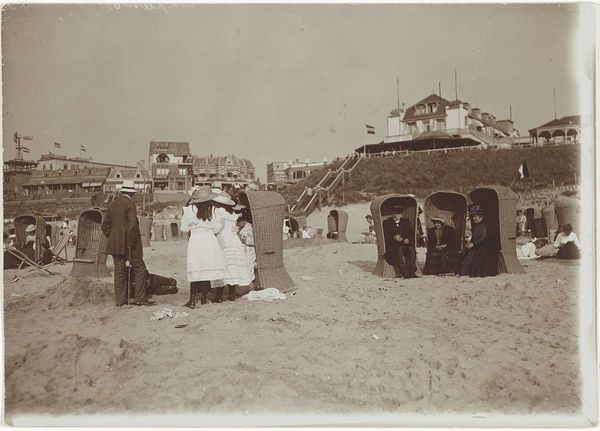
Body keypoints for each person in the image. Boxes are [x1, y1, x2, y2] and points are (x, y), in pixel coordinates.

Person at [101, 180, 154, 306]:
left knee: (119, 272)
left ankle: (120, 300)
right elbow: (133, 225)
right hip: (130, 245)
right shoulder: (130, 204)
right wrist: (129, 242)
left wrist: (114, 237)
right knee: (140, 269)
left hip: (115, 245)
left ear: (122, 191)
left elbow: (105, 226)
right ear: (132, 193)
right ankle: (140, 298)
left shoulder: (112, 205)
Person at [179, 186, 225, 308]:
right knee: (206, 270)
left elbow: (184, 229)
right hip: (210, 240)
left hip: (196, 240)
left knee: (195, 268)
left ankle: (192, 300)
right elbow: (217, 228)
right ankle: (204, 299)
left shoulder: (189, 210)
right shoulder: (215, 211)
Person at [212, 190, 254, 302]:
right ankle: (231, 295)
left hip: (223, 240)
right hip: (234, 241)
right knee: (233, 268)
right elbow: (235, 226)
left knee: (222, 267)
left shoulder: (218, 212)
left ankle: (219, 296)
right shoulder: (232, 213)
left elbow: (217, 228)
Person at [460, 205, 499, 277]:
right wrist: (470, 243)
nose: (473, 218)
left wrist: (474, 244)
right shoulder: (476, 226)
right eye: (473, 217)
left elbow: (484, 237)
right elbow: (474, 237)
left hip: (483, 247)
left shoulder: (484, 226)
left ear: (481, 217)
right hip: (476, 246)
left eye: (475, 217)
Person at [382, 205, 417, 278]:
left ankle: (412, 272)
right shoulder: (387, 223)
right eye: (393, 214)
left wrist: (407, 238)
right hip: (393, 245)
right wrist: (394, 237)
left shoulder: (405, 222)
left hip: (405, 243)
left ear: (401, 214)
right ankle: (404, 273)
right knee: (399, 250)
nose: (394, 215)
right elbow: (385, 236)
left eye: (397, 214)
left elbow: (410, 233)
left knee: (411, 250)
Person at [236, 210, 257, 284]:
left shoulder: (250, 227)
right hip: (242, 252)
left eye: (237, 222)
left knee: (249, 268)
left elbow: (255, 241)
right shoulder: (239, 228)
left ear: (243, 221)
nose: (236, 224)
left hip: (249, 252)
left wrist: (241, 238)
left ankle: (251, 283)